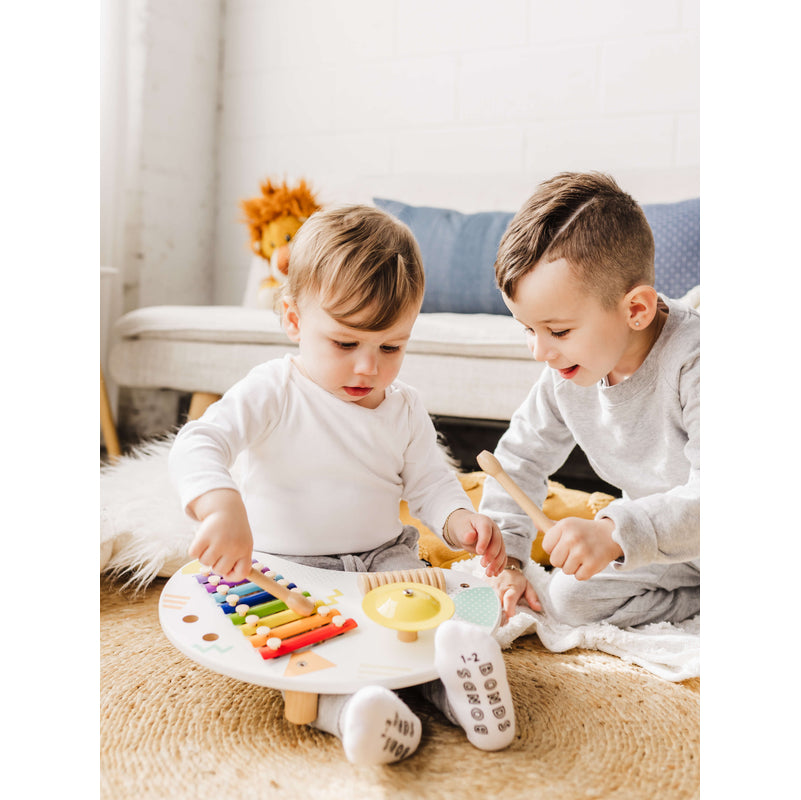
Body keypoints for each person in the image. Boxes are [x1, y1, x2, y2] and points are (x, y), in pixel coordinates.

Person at [169, 204, 516, 765]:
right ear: (293, 319)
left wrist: (458, 521)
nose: (367, 369)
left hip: (385, 563)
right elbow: (198, 443)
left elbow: (431, 481)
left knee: (451, 611)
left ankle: (460, 690)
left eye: (391, 347)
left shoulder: (404, 408)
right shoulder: (273, 390)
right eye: (345, 343)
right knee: (307, 657)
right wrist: (221, 505)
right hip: (288, 572)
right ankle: (358, 714)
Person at [478, 172, 699, 630]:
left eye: (557, 331)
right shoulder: (564, 373)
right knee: (566, 602)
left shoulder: (697, 360)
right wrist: (511, 563)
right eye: (528, 330)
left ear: (635, 309)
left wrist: (612, 532)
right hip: (662, 546)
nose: (540, 351)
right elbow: (518, 460)